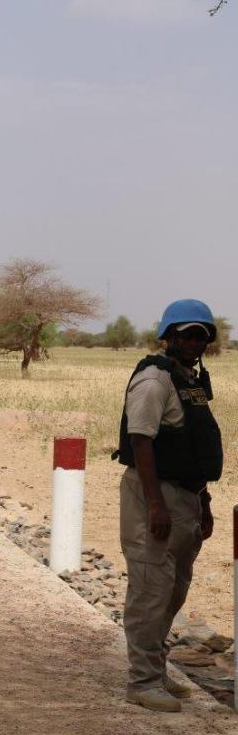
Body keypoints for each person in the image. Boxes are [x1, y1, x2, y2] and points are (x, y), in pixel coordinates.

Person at [114, 299, 223, 713]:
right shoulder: (154, 381)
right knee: (150, 590)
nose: (195, 342)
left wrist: (203, 501)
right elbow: (141, 441)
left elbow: (191, 446)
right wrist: (156, 506)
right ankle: (141, 682)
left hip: (186, 497)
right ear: (169, 337)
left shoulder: (188, 380)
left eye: (201, 336)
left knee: (173, 591)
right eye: (187, 334)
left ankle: (157, 671)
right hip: (154, 495)